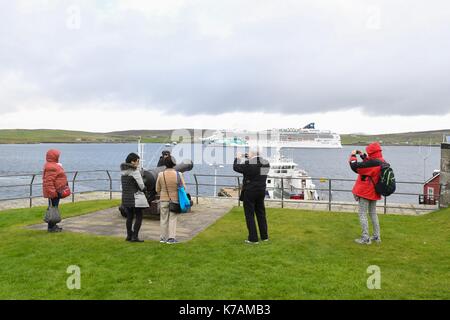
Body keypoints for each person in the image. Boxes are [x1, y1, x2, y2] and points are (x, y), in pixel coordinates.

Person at [349, 142, 385, 245]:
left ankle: (365, 238)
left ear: (372, 152)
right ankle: (377, 236)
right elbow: (370, 163)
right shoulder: (382, 161)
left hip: (366, 192)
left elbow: (355, 167)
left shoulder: (372, 163)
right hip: (375, 192)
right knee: (373, 213)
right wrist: (363, 156)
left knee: (362, 214)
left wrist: (352, 155)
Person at [233, 147, 270, 244]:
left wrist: (237, 158)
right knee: (261, 213)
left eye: (248, 152)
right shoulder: (266, 163)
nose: (247, 153)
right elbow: (260, 176)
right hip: (261, 190)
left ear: (252, 153)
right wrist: (249, 157)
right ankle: (264, 236)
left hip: (250, 191)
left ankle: (253, 238)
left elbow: (236, 167)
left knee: (249, 215)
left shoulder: (248, 164)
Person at [156, 155, 186, 244]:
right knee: (172, 219)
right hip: (174, 200)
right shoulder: (178, 174)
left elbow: (157, 189)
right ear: (174, 164)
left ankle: (162, 238)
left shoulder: (161, 174)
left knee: (163, 219)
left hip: (163, 199)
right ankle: (171, 238)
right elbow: (183, 187)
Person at [121, 153, 149, 242]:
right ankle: (135, 237)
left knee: (129, 216)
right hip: (135, 197)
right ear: (132, 161)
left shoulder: (123, 171)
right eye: (137, 161)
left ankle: (129, 235)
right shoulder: (135, 171)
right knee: (139, 216)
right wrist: (145, 189)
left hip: (126, 197)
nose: (138, 163)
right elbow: (141, 185)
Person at [42, 149, 68, 233]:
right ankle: (51, 227)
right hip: (54, 192)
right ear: (54, 156)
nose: (59, 157)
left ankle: (53, 226)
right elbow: (49, 181)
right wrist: (53, 193)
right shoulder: (51, 167)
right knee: (53, 209)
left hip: (56, 191)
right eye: (57, 156)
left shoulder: (52, 165)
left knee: (53, 208)